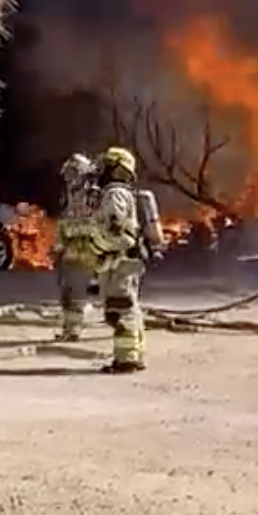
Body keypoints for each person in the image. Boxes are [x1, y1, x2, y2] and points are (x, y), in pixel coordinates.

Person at [91, 145, 161, 373]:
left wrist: (98, 248)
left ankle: (127, 359)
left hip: (119, 261)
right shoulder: (121, 193)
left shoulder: (114, 194)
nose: (101, 171)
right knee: (128, 307)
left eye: (106, 166)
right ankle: (133, 355)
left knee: (121, 309)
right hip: (125, 261)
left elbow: (115, 228)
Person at [54, 152, 102, 341]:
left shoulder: (94, 195)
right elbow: (64, 222)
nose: (69, 178)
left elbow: (98, 223)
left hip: (86, 251)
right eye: (68, 174)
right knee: (67, 292)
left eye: (73, 173)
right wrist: (59, 246)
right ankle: (70, 329)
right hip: (69, 251)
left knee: (77, 293)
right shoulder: (68, 196)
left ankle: (73, 331)